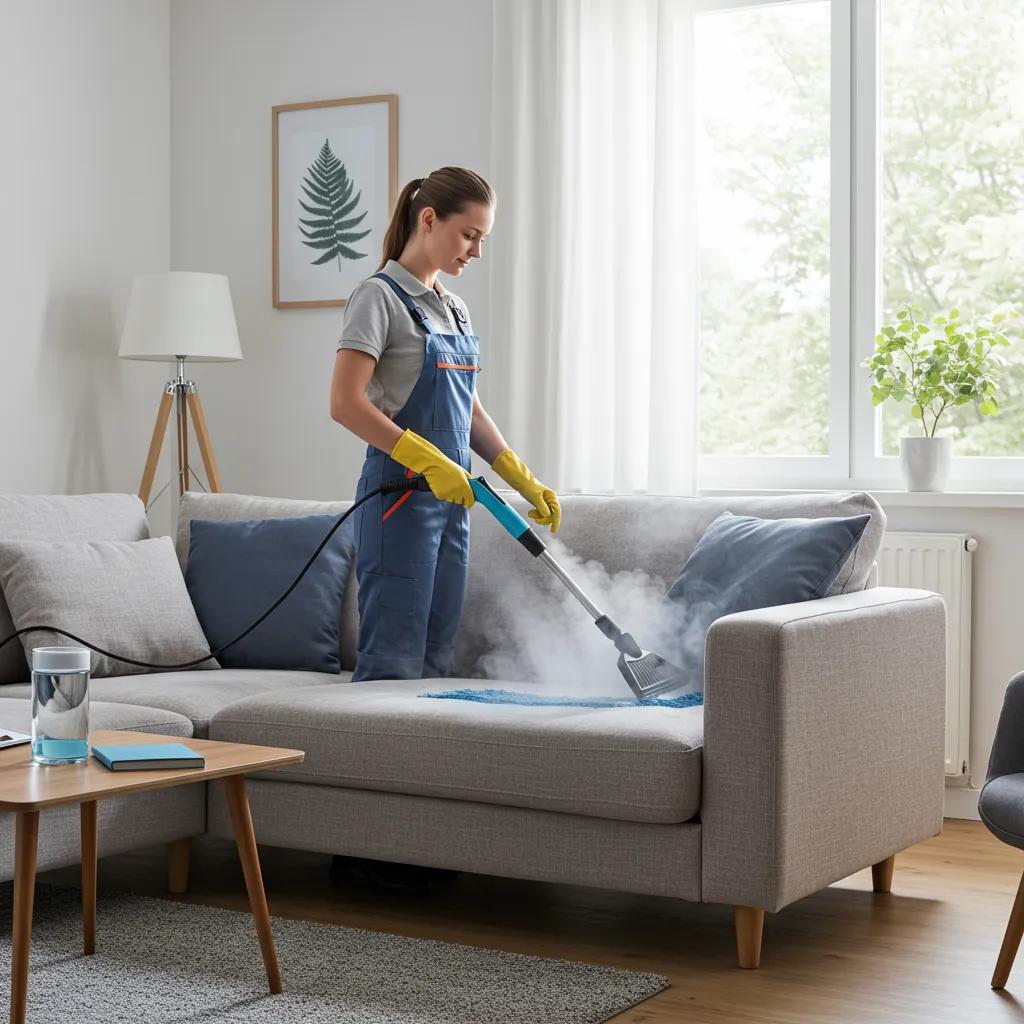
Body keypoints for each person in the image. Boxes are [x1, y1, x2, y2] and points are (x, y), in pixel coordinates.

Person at [330, 166, 561, 684]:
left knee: (438, 656)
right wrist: (426, 460)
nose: (475, 252)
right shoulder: (378, 298)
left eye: (482, 239)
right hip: (400, 500)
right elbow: (345, 404)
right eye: (469, 235)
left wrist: (519, 474)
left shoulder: (454, 310)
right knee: (394, 654)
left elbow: (469, 411)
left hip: (455, 501)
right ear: (429, 220)